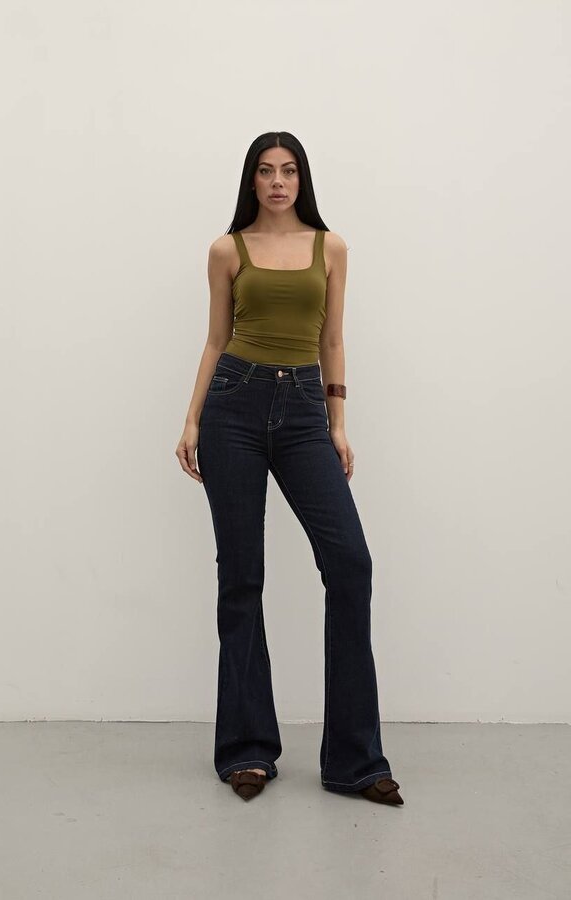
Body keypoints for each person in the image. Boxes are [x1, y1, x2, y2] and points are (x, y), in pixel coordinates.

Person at [176, 131, 404, 806]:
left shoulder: (330, 247)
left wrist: (337, 423)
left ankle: (355, 761)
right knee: (241, 576)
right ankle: (246, 750)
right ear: (251, 180)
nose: (278, 181)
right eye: (266, 170)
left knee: (350, 563)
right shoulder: (228, 250)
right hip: (233, 407)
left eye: (289, 170)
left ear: (302, 180)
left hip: (304, 407)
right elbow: (215, 339)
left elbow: (332, 337)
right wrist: (192, 420)